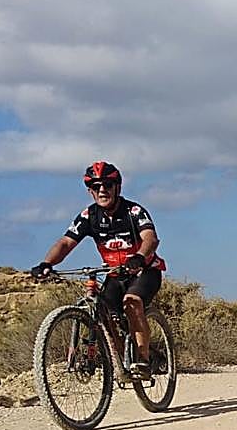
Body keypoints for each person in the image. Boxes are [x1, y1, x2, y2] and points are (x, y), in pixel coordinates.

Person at [31, 162, 165, 378]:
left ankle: (143, 361)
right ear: (90, 191)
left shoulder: (134, 211)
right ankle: (123, 364)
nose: (102, 190)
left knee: (132, 304)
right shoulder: (89, 216)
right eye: (96, 186)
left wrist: (140, 256)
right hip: (114, 274)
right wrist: (47, 263)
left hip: (144, 271)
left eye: (108, 185)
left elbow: (150, 237)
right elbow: (66, 243)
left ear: (117, 187)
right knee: (105, 317)